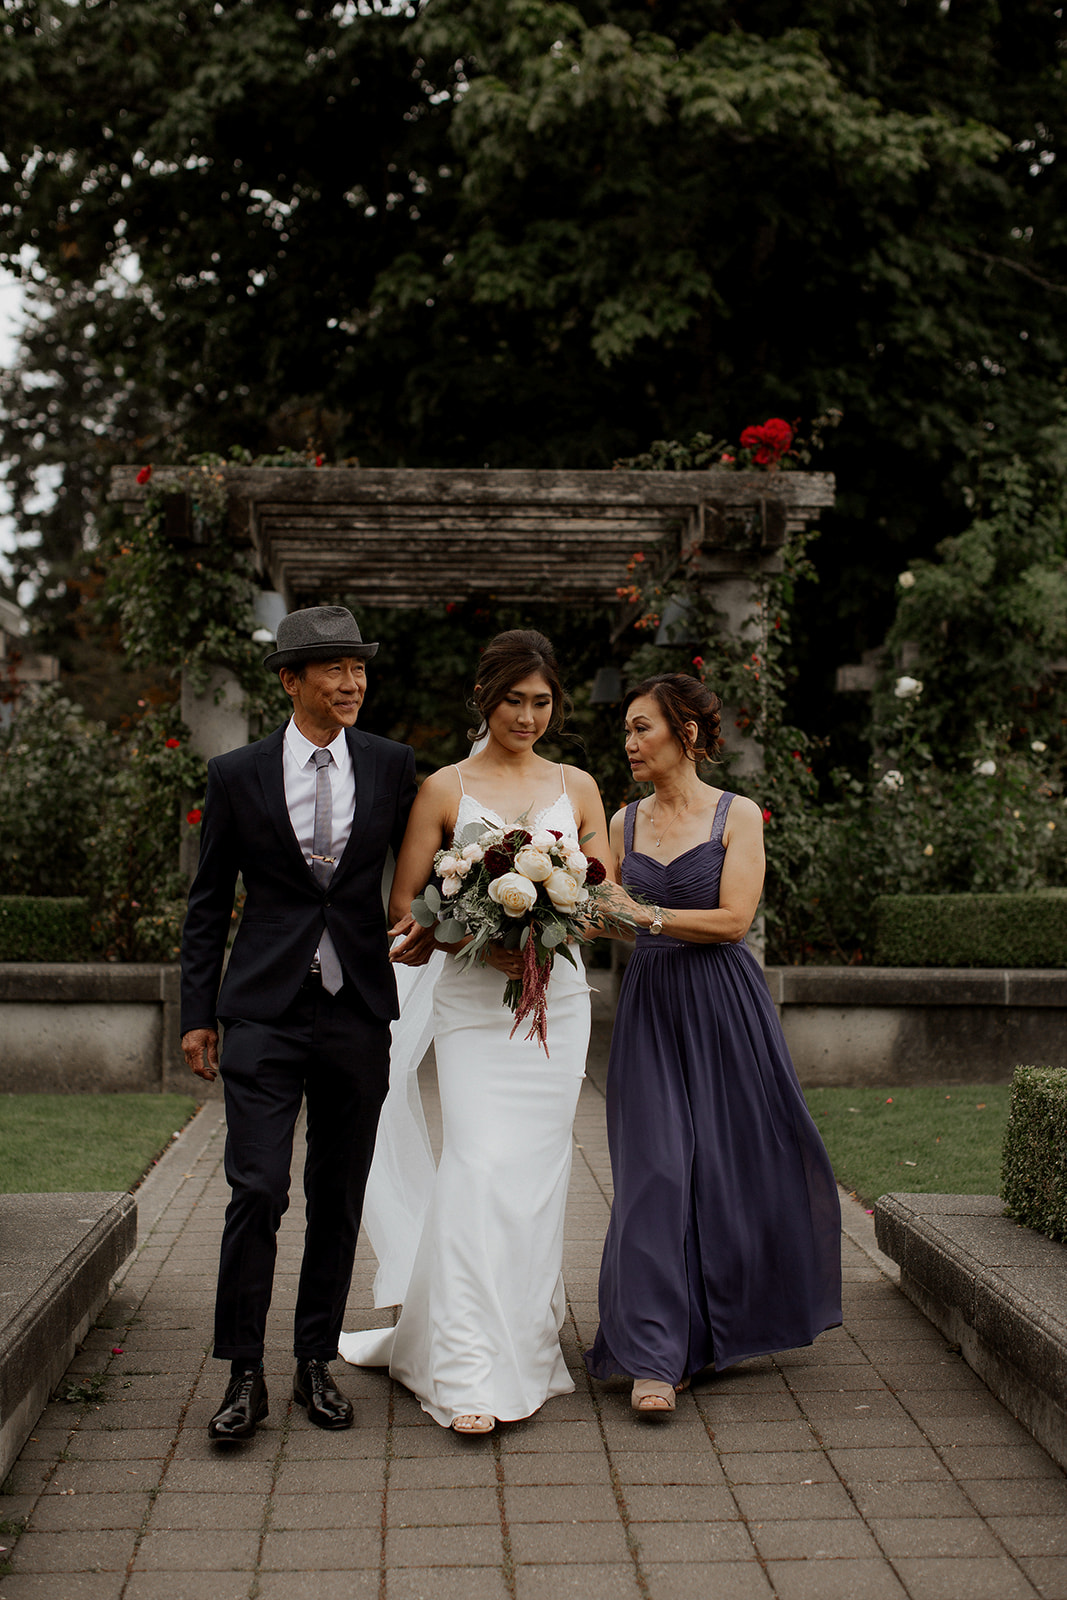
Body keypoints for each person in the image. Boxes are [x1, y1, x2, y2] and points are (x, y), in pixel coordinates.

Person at [340, 629, 613, 1434]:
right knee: (478, 1164)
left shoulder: (580, 786)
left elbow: (601, 894)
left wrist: (561, 918)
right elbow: (403, 908)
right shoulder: (443, 789)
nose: (527, 715)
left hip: (556, 1005)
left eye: (540, 702)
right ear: (484, 699)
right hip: (468, 1003)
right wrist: (475, 936)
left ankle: (522, 1350)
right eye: (512, 700)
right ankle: (462, 1368)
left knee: (534, 1179)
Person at [179, 605, 419, 1443]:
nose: (352, 681)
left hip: (356, 1009)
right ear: (290, 680)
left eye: (358, 666)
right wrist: (196, 1014)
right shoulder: (236, 774)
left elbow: (432, 864)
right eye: (333, 668)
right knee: (257, 1189)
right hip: (260, 1011)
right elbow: (208, 906)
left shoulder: (393, 767)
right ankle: (243, 1371)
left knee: (337, 1193)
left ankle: (313, 1359)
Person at [585, 672, 842, 1414]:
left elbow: (733, 921)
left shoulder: (737, 817)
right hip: (652, 1006)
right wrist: (543, 906)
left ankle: (711, 1332)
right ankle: (656, 1355)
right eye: (627, 730)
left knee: (728, 1168)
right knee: (654, 1171)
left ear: (686, 734)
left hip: (724, 1003)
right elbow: (608, 916)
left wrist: (647, 916)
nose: (628, 742)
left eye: (642, 728)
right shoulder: (622, 820)